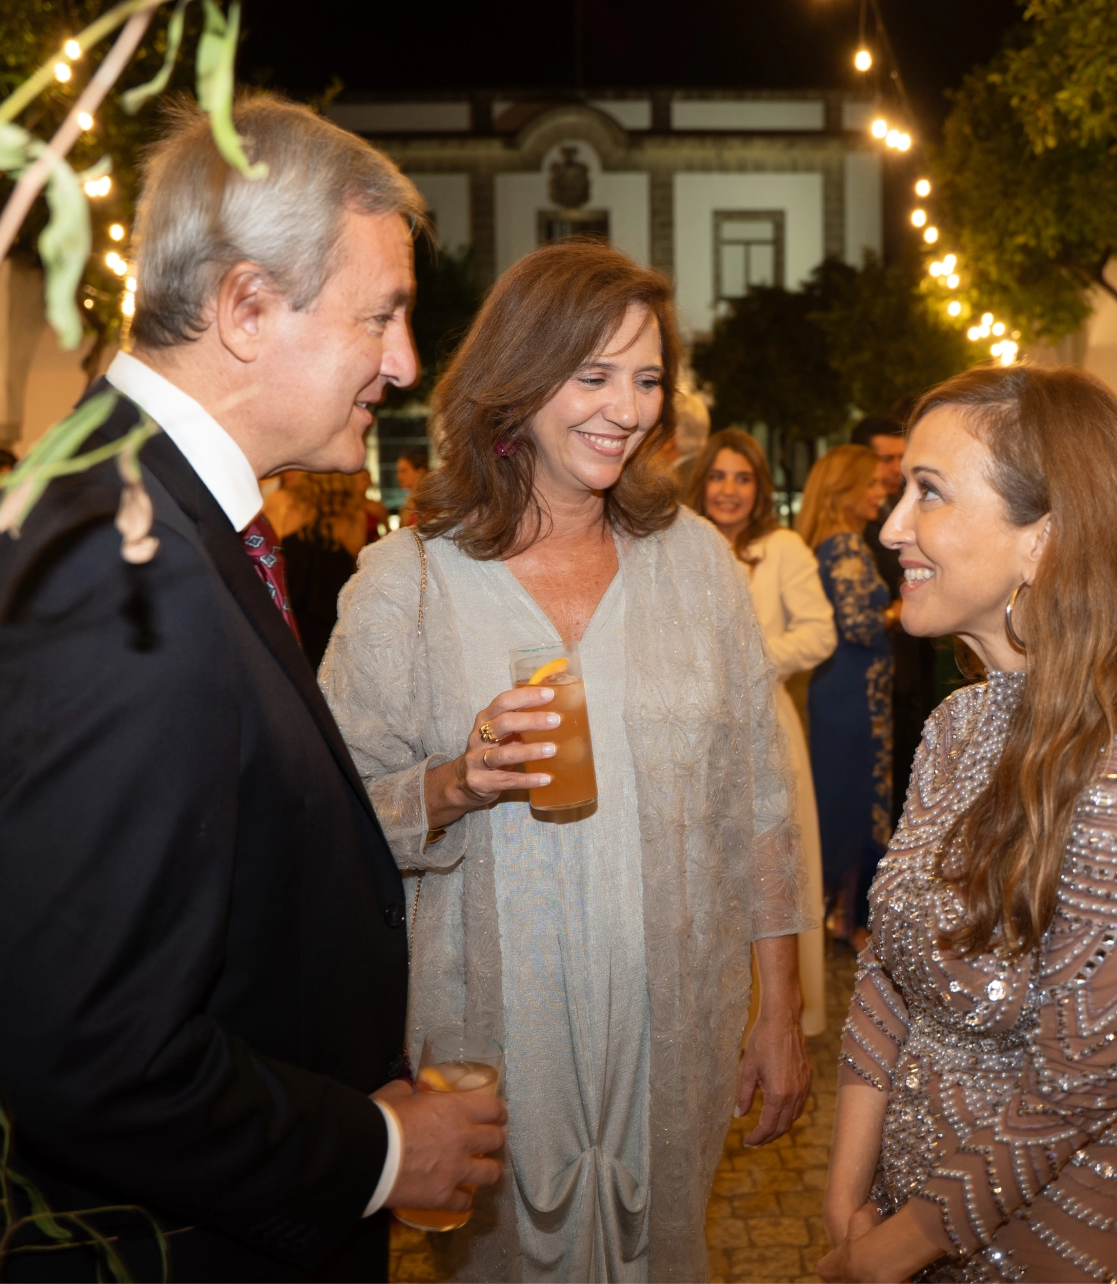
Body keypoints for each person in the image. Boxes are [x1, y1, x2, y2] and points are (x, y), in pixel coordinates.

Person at [0, 94, 503, 1282]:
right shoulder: (119, 572)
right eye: (381, 316)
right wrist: (379, 1150)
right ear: (246, 307)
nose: (402, 362)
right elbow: (99, 1057)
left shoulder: (143, 516)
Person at [319, 240, 811, 1282]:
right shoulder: (407, 584)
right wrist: (455, 782)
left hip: (674, 1018)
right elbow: (323, 822)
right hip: (490, 1038)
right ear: (520, 376)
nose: (625, 409)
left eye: (645, 380)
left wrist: (783, 1011)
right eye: (591, 376)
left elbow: (758, 808)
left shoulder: (697, 568)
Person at [817, 363, 1117, 1284]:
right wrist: (845, 1199)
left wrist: (892, 1249)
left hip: (1066, 1247)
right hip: (896, 1226)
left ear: (1042, 538)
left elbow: (1075, 1083)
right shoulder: (956, 726)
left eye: (929, 493)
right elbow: (890, 967)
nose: (891, 528)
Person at [687, 427, 837, 1036]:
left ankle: (777, 1015)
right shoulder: (678, 544)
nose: (728, 490)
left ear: (760, 489)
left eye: (742, 478)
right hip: (692, 732)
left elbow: (819, 632)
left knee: (774, 866)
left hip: (764, 724)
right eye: (719, 476)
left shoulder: (782, 549)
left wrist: (746, 660)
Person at [801, 443, 894, 950]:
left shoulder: (826, 544)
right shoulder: (847, 548)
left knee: (839, 797)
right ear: (846, 492)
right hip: (855, 696)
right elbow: (859, 624)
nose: (881, 493)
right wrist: (901, 610)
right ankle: (853, 922)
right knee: (859, 801)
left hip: (841, 691)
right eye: (872, 485)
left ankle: (838, 915)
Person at [851, 416, 935, 827]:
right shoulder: (859, 531)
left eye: (899, 459)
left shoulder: (900, 513)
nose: (891, 470)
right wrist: (895, 612)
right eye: (884, 459)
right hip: (875, 684)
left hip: (910, 669)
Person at [263, 469, 371, 669]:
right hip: (334, 615)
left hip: (290, 611)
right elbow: (356, 565)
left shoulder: (283, 502)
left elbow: (268, 558)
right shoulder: (353, 512)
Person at [395, 447, 429, 526]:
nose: (398, 477)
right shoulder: (408, 500)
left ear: (420, 471)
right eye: (398, 472)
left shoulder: (430, 500)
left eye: (403, 471)